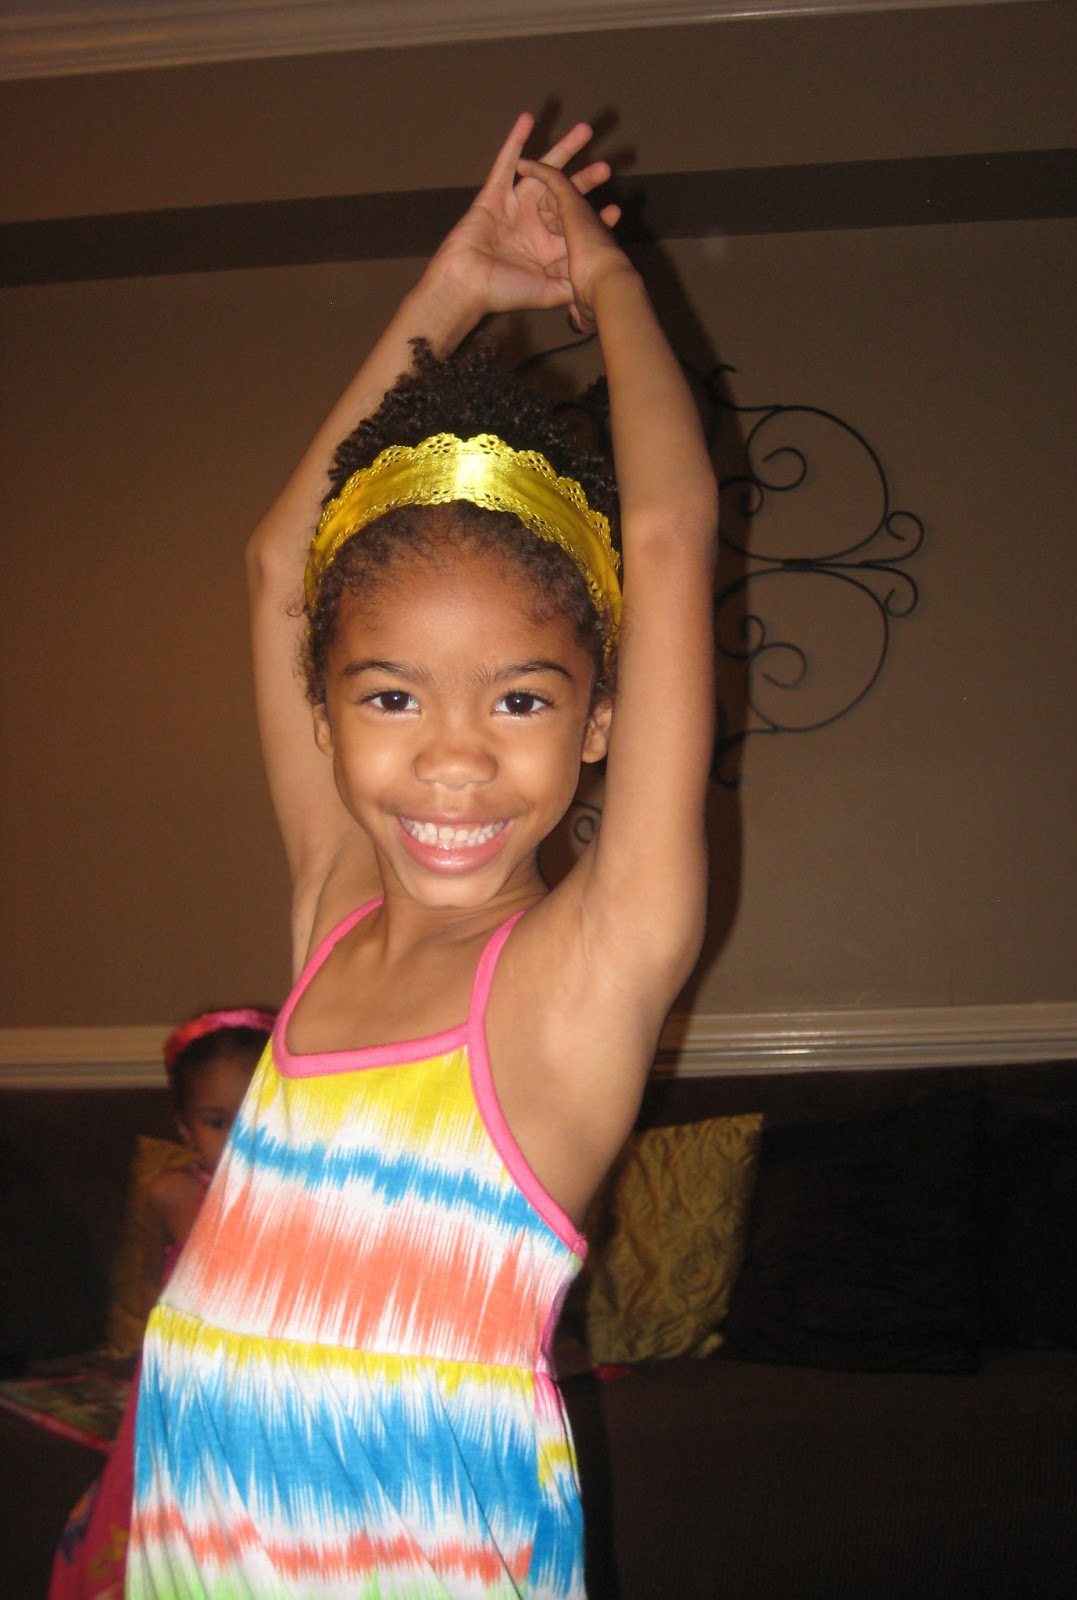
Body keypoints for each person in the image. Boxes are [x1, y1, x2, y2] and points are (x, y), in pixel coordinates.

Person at [126, 110, 716, 1600]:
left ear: (600, 721)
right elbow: (279, 566)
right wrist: (450, 285)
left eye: (520, 700)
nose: (454, 760)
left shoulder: (585, 970)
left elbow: (668, 530)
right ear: (325, 713)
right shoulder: (332, 907)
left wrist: (611, 283)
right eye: (391, 697)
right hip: (193, 1556)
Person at [48, 1010, 272, 1600]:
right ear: (184, 1127)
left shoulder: (297, 1200)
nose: (240, 1138)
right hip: (181, 1373)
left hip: (259, 1379)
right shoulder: (171, 1195)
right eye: (217, 1122)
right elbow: (150, 1282)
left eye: (258, 1115)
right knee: (163, 1497)